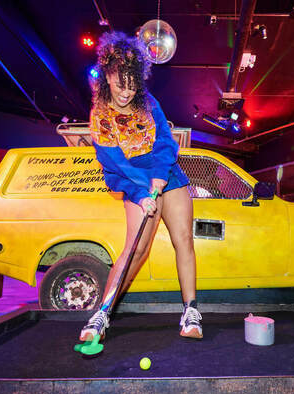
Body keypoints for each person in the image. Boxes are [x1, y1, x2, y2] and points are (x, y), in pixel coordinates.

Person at [79, 32, 202, 342]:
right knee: (136, 250)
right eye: (121, 85)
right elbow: (114, 167)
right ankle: (101, 314)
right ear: (108, 75)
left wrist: (160, 174)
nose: (126, 92)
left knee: (184, 239)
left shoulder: (147, 102)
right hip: (134, 180)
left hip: (168, 174)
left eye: (132, 85)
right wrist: (140, 193)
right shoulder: (100, 117)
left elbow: (165, 140)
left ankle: (190, 311)